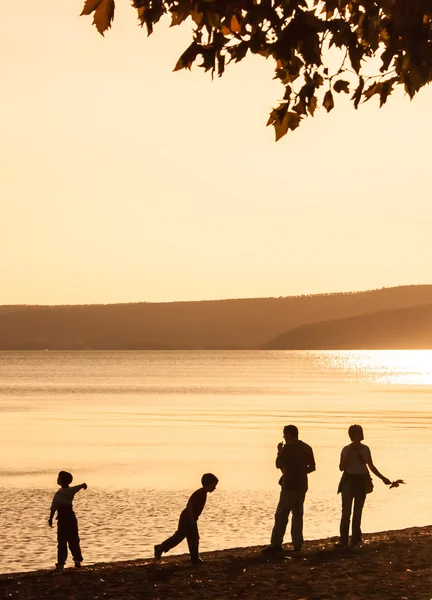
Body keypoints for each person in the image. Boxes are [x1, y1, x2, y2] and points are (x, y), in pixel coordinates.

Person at [262, 425, 316, 554]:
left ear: (289, 435)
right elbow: (312, 467)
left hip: (289, 485)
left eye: (285, 434)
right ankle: (297, 544)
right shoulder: (306, 447)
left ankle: (276, 544)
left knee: (281, 515)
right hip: (302, 485)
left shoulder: (287, 449)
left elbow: (278, 464)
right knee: (297, 515)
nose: (284, 437)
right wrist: (301, 472)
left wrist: (279, 451)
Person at [337, 424, 391, 548]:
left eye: (361, 432)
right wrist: (349, 457)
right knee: (346, 512)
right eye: (359, 432)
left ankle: (356, 539)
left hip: (361, 481)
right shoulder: (346, 449)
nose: (362, 434)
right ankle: (343, 539)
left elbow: (371, 466)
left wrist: (383, 478)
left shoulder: (366, 449)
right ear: (353, 435)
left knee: (358, 511)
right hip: (348, 481)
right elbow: (341, 467)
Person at [154, 473, 218, 564]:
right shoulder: (199, 493)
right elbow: (190, 505)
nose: (214, 488)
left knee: (193, 538)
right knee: (179, 537)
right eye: (214, 485)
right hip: (187, 517)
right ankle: (160, 548)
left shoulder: (203, 494)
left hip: (191, 518)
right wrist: (192, 519)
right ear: (208, 484)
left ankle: (194, 558)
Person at [48, 471, 87, 570]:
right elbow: (78, 487)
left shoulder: (59, 494)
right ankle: (77, 559)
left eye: (58, 478)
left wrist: (50, 518)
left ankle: (61, 563)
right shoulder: (70, 491)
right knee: (73, 539)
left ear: (61, 481)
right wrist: (83, 485)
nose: (57, 479)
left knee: (62, 541)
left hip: (63, 519)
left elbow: (53, 507)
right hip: (70, 517)